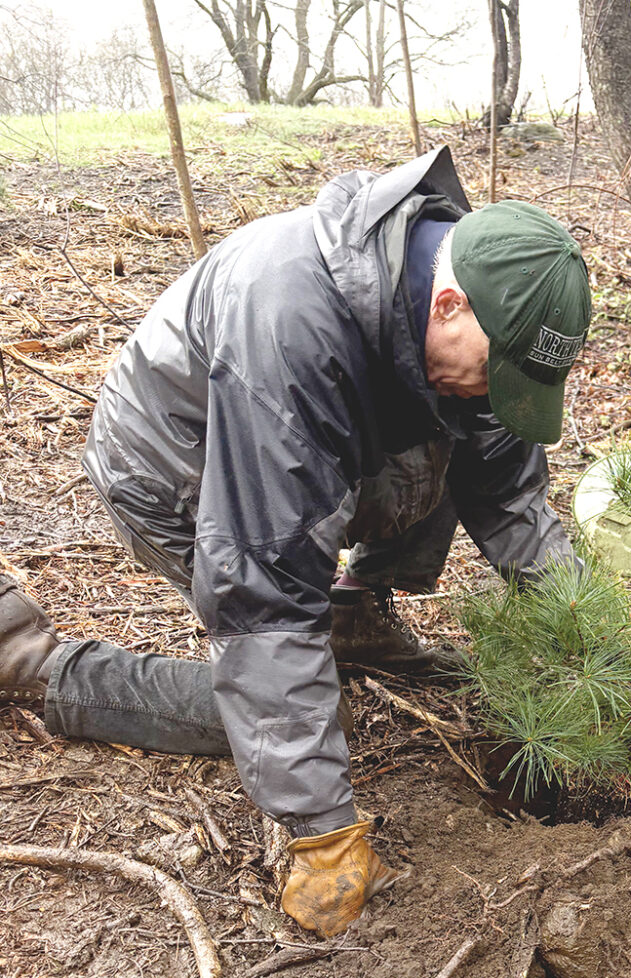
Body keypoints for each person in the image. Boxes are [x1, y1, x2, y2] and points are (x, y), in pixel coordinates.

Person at [0, 147, 591, 936]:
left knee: (458, 433)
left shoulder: (487, 301)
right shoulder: (289, 320)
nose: (495, 391)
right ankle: (36, 661)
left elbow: (509, 492)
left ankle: (351, 611)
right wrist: (322, 829)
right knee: (258, 706)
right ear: (447, 305)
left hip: (313, 457)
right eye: (496, 371)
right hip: (180, 470)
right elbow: (265, 594)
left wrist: (596, 634)